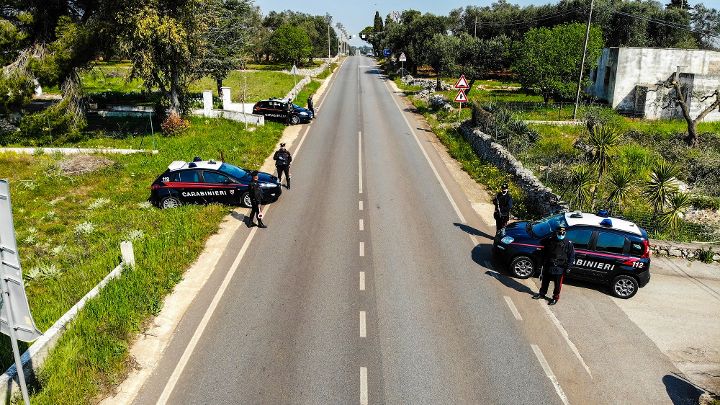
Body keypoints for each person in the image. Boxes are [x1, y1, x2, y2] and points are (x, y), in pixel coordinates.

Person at [533, 227, 575, 305]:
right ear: (556, 233)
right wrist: (541, 263)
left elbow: (571, 256)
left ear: (565, 233)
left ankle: (555, 298)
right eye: (559, 233)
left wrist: (569, 267)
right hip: (549, 265)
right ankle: (542, 294)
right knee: (545, 281)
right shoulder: (550, 240)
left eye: (563, 233)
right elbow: (542, 247)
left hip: (560, 267)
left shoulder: (568, 243)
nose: (561, 235)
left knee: (557, 285)